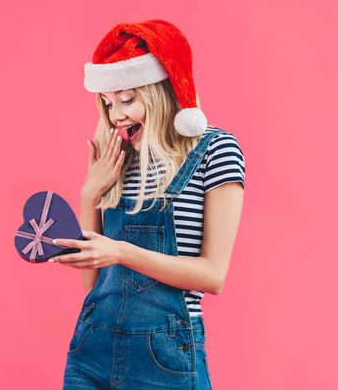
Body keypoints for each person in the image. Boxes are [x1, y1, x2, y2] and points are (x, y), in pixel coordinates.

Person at [50, 19, 245, 389]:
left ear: (161, 92)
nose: (116, 116)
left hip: (163, 354)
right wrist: (90, 193)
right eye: (108, 103)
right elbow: (93, 281)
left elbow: (212, 276)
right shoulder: (117, 160)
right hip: (92, 346)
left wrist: (121, 251)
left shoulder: (215, 151)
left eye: (127, 99)